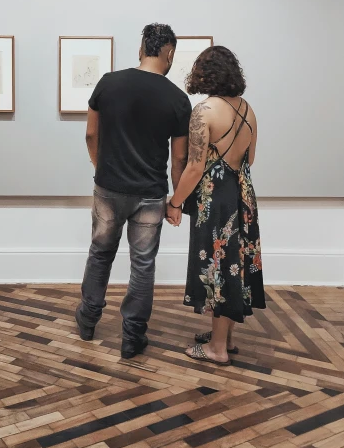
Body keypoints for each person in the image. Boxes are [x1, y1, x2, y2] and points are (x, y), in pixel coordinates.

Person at [75, 23, 192, 359]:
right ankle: (132, 337)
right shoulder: (177, 100)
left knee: (100, 253)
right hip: (151, 194)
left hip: (109, 187)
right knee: (142, 265)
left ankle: (88, 320)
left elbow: (89, 135)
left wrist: (101, 168)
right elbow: (179, 158)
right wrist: (175, 202)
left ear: (142, 47)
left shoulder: (108, 83)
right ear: (169, 53)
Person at [167, 46, 265, 366]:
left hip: (216, 199)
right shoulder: (249, 110)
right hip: (243, 194)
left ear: (204, 74)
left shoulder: (204, 111)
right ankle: (226, 338)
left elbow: (194, 167)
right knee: (233, 266)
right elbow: (250, 158)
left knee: (218, 269)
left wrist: (175, 202)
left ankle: (217, 350)